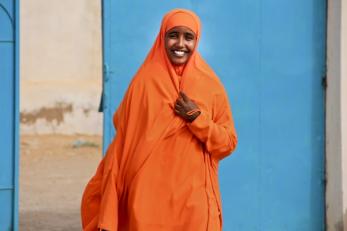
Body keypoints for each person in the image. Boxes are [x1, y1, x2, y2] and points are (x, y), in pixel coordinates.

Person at [81, 8, 237, 231]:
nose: (180, 44)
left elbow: (227, 143)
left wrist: (197, 119)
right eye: (173, 35)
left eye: (188, 37)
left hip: (193, 202)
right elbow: (123, 147)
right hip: (146, 201)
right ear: (161, 38)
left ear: (197, 40)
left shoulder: (211, 87)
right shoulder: (143, 84)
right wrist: (110, 201)